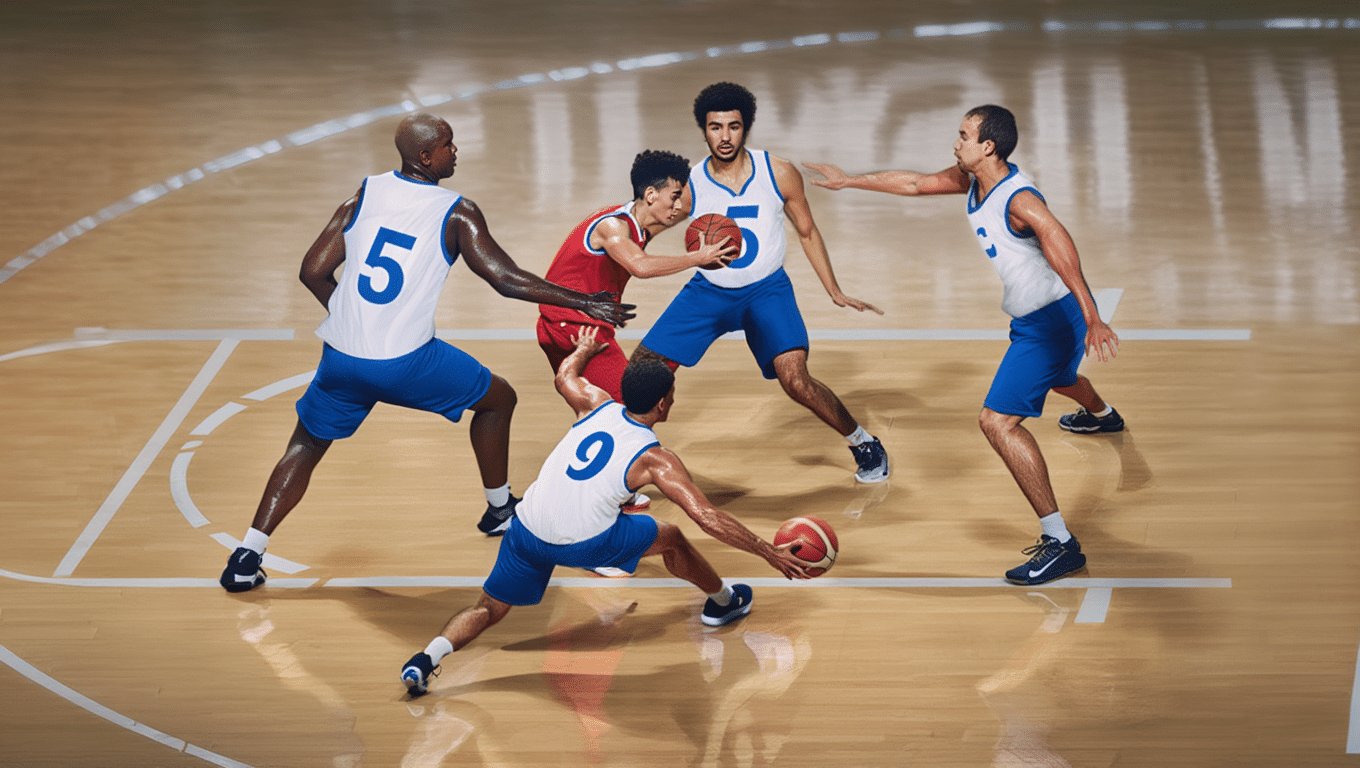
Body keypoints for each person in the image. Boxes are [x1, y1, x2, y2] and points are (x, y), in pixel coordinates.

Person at [219, 113, 635, 593]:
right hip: (405, 362)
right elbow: (504, 278)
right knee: (499, 399)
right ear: (424, 157)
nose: (455, 150)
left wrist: (357, 319)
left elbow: (312, 270)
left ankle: (247, 554)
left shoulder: (364, 194)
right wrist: (585, 301)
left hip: (341, 355)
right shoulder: (456, 211)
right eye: (447, 144)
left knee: (305, 445)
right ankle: (500, 508)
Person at [804, 104, 1123, 586]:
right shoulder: (974, 180)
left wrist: (1094, 316)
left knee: (997, 422)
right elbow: (915, 184)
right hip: (1047, 319)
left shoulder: (1020, 199)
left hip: (1051, 320)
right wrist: (849, 181)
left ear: (988, 146)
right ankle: (1103, 415)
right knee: (1059, 377)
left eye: (963, 135)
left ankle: (1061, 543)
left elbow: (1059, 242)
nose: (955, 143)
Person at [399, 326, 812, 695]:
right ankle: (723, 601)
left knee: (487, 609)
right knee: (671, 537)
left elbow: (565, 376)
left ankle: (427, 659)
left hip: (525, 530)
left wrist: (584, 349)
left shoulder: (594, 403)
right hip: (585, 544)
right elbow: (706, 516)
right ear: (664, 405)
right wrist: (767, 551)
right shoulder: (655, 459)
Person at [628, 82, 891, 484]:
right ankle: (626, 461)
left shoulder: (779, 172)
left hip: (767, 290)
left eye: (733, 126)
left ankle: (862, 441)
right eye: (716, 127)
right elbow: (647, 226)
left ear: (746, 127)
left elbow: (806, 230)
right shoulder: (692, 183)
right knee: (642, 367)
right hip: (709, 291)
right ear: (704, 130)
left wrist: (833, 290)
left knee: (796, 379)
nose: (725, 136)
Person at [537, 149, 736, 404]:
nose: (677, 206)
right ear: (651, 194)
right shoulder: (613, 226)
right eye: (673, 197)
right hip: (574, 327)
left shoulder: (638, 225)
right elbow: (639, 266)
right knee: (636, 403)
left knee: (599, 408)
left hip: (569, 321)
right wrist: (698, 258)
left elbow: (686, 208)